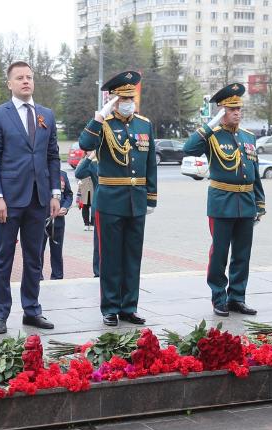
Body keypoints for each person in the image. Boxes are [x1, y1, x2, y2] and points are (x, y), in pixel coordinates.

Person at [0, 61, 61, 334]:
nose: (26, 81)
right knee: (2, 257)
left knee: (34, 258)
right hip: (9, 199)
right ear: (10, 83)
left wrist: (55, 192)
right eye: (20, 78)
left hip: (38, 198)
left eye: (29, 77)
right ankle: (0, 314)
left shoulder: (46, 115)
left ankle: (32, 310)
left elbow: (52, 156)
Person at [79, 70, 157, 325]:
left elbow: (150, 165)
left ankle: (129, 306)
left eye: (130, 98)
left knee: (132, 257)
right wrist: (99, 117)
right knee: (110, 257)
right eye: (122, 98)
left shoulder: (144, 124)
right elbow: (84, 145)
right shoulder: (103, 124)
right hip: (110, 200)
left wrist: (151, 198)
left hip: (136, 200)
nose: (127, 102)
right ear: (113, 99)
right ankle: (110, 307)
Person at [184, 82, 266, 317]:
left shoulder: (248, 137)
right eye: (232, 109)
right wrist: (210, 125)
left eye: (239, 109)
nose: (237, 113)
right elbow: (189, 149)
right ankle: (219, 297)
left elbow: (254, 172)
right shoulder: (212, 135)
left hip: (246, 202)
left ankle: (237, 297)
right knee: (220, 254)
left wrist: (259, 203)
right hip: (222, 202)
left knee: (242, 254)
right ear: (222, 111)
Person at [41, 172, 73, 280]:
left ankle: (57, 276)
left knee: (57, 251)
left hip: (58, 221)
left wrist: (65, 207)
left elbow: (68, 194)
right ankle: (37, 277)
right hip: (41, 220)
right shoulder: (39, 172)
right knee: (38, 250)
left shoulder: (62, 174)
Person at [74, 152, 101, 277]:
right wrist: (89, 157)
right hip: (100, 207)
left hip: (117, 207)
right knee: (99, 243)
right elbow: (78, 173)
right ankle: (98, 271)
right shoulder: (94, 163)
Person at [76, 152, 95, 231]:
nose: (89, 152)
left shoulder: (96, 160)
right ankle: (86, 224)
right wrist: (78, 181)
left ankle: (93, 224)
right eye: (88, 151)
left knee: (94, 205)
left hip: (93, 185)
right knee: (85, 205)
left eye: (91, 150)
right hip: (84, 185)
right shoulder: (83, 160)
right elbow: (77, 172)